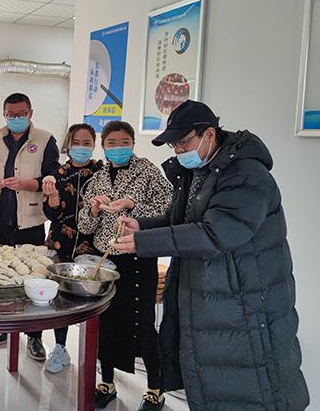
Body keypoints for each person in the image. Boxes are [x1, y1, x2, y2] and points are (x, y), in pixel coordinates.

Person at [112, 100, 310, 411]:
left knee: (255, 389)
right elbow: (182, 221)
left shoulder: (247, 175)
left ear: (209, 134)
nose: (179, 151)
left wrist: (144, 243)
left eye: (183, 142)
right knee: (214, 387)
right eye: (174, 145)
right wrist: (143, 226)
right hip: (213, 299)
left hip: (246, 302)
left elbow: (216, 233)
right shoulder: (198, 171)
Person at [78, 120, 172, 411]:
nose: (118, 148)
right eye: (112, 143)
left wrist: (132, 205)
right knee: (106, 322)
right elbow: (85, 226)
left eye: (124, 142)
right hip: (106, 258)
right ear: (103, 146)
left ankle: (155, 389)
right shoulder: (97, 178)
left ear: (133, 143)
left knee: (143, 323)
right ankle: (106, 383)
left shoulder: (148, 171)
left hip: (138, 256)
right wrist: (94, 210)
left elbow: (169, 208)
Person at [0, 92, 61, 361]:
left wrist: (26, 184)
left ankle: (34, 336)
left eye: (21, 114)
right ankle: (5, 326)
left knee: (34, 277)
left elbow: (53, 175)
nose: (16, 119)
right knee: (3, 275)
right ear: (4, 114)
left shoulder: (45, 139)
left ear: (30, 113)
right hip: (1, 219)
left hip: (31, 220)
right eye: (11, 115)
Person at [41, 123, 103, 374]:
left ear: (94, 145)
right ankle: (60, 347)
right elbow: (50, 214)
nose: (81, 147)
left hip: (93, 244)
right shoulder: (56, 174)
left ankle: (96, 352)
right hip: (61, 243)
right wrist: (53, 201)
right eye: (76, 142)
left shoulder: (101, 173)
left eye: (87, 143)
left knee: (93, 297)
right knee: (61, 296)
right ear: (68, 144)